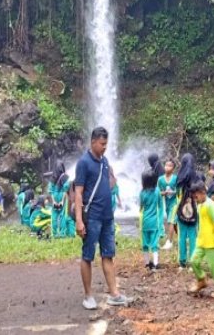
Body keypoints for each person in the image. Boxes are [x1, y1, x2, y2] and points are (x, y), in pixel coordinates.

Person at [74, 127, 128, 310]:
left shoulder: (105, 162)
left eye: (106, 144)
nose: (105, 147)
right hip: (93, 217)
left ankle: (114, 294)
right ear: (93, 142)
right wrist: (79, 220)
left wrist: (112, 177)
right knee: (87, 255)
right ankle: (88, 296)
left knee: (108, 254)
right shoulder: (83, 163)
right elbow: (79, 193)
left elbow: (109, 184)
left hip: (107, 217)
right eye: (102, 144)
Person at [188, 181, 214, 298]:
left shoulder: (211, 205)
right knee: (194, 261)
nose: (195, 199)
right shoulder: (200, 204)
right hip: (201, 240)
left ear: (202, 193)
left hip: (210, 241)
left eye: (196, 196)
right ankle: (201, 280)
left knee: (213, 266)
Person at [171, 153, 199, 268]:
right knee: (193, 237)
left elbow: (177, 195)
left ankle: (182, 262)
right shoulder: (196, 177)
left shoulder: (179, 178)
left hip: (181, 212)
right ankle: (193, 261)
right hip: (194, 212)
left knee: (181, 237)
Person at [139, 168, 161, 270]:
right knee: (154, 243)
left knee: (145, 243)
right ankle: (156, 264)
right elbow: (160, 205)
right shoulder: (157, 191)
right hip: (154, 222)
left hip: (145, 222)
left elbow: (141, 207)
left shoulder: (142, 193)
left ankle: (147, 263)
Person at [157, 158, 177, 250]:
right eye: (166, 165)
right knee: (174, 223)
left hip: (175, 203)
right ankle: (182, 239)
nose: (167, 167)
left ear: (173, 168)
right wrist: (163, 193)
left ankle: (169, 241)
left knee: (171, 221)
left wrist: (173, 192)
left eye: (170, 166)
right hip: (167, 204)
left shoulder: (175, 178)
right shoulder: (160, 179)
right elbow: (157, 192)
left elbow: (179, 191)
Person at [50, 163, 71, 238]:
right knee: (62, 215)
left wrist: (53, 201)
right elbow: (66, 189)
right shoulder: (65, 177)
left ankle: (54, 233)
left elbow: (50, 191)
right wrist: (62, 200)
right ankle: (62, 233)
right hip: (62, 195)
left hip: (55, 196)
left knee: (54, 215)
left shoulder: (52, 178)